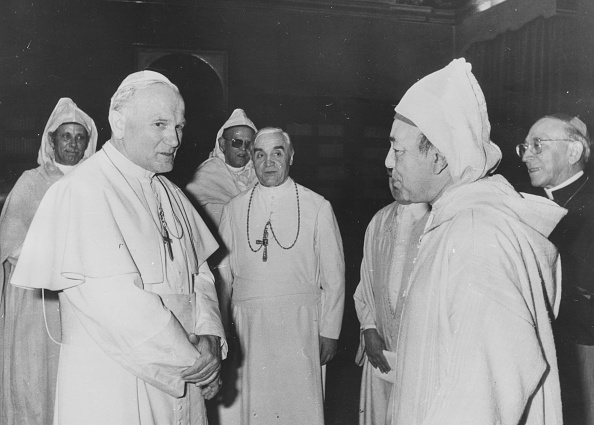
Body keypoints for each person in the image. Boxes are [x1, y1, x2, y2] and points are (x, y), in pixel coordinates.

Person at [10, 71, 227, 425]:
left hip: (185, 373)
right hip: (117, 382)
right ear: (119, 122)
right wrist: (196, 363)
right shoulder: (83, 190)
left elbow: (200, 274)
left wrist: (212, 338)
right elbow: (117, 305)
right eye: (159, 124)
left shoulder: (172, 193)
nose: (173, 139)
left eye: (180, 126)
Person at [384, 58, 566, 424]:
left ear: (438, 156)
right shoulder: (459, 221)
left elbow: (481, 395)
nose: (388, 161)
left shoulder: (474, 235)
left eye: (398, 150)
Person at [217, 127, 345, 425]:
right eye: (260, 154)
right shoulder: (234, 209)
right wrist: (223, 326)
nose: (269, 162)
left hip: (300, 326)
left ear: (291, 156)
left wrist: (330, 330)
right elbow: (223, 275)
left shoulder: (318, 206)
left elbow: (334, 275)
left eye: (278, 153)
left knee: (297, 408)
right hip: (248, 327)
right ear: (251, 158)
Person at [0, 98, 97, 425]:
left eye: (80, 137)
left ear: (89, 143)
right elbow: (9, 245)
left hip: (83, 300)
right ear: (51, 141)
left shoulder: (96, 184)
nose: (73, 143)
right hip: (36, 300)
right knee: (37, 381)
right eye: (65, 136)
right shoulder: (31, 182)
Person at [519, 113, 594, 424]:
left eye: (538, 145)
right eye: (524, 146)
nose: (526, 155)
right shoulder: (527, 205)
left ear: (573, 152)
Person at [353, 171, 429, 425]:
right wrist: (369, 329)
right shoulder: (380, 220)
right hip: (380, 350)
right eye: (389, 174)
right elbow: (365, 283)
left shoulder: (438, 220)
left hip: (422, 353)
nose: (395, 179)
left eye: (402, 172)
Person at [185, 108, 257, 229]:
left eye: (248, 144)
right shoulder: (208, 174)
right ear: (223, 144)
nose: (243, 149)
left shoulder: (259, 174)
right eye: (237, 142)